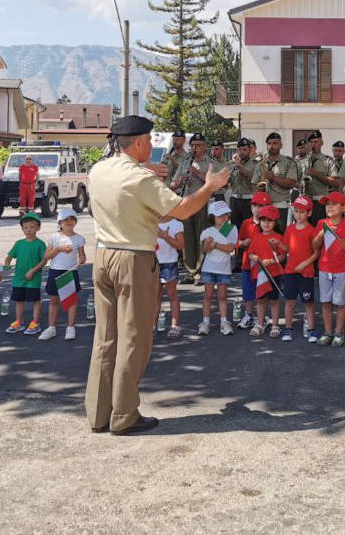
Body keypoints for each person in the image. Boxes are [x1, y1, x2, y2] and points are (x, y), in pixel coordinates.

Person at [85, 114, 228, 435]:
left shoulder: (99, 170)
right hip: (133, 259)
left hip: (103, 256)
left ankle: (98, 413)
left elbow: (136, 194)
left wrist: (146, 171)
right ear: (138, 143)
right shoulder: (141, 180)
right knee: (134, 338)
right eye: (149, 140)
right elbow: (182, 209)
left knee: (105, 338)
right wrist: (210, 186)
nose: (152, 145)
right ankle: (124, 415)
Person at [312, 190, 345, 347]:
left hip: (342, 269)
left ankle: (339, 333)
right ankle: (328, 332)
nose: (329, 207)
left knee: (340, 303)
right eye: (327, 204)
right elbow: (314, 245)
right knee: (325, 302)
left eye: (334, 204)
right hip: (324, 268)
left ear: (343, 207)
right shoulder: (321, 223)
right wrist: (321, 233)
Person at [173, 132, 218, 282]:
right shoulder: (185, 162)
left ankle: (200, 270)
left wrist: (198, 173)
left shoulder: (210, 163)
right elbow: (173, 183)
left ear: (204, 147)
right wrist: (180, 181)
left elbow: (214, 185)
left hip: (202, 204)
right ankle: (190, 271)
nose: (195, 148)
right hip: (186, 204)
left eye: (198, 146)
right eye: (192, 146)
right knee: (188, 238)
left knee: (201, 237)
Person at [39, 207, 87, 340]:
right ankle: (51, 328)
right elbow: (46, 256)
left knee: (71, 300)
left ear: (75, 222)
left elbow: (82, 255)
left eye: (72, 219)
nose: (69, 222)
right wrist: (58, 249)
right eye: (66, 220)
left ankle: (70, 327)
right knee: (54, 300)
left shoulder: (79, 238)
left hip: (71, 272)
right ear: (60, 222)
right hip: (55, 271)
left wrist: (82, 258)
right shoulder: (54, 237)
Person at [197, 199, 237, 337]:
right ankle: (205, 322)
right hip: (209, 268)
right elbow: (205, 250)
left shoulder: (231, 229)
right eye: (220, 215)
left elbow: (230, 248)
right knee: (207, 295)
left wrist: (215, 245)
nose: (224, 217)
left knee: (222, 296)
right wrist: (207, 243)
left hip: (223, 269)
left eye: (225, 214)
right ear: (212, 217)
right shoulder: (207, 231)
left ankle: (224, 321)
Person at [281, 195, 318, 342]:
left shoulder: (312, 230)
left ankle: (311, 330)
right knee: (290, 301)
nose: (298, 215)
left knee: (308, 303)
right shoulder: (290, 229)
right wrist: (276, 244)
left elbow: (316, 253)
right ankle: (288, 328)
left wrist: (304, 264)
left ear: (309, 213)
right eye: (296, 211)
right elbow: (286, 248)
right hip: (290, 271)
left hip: (306, 272)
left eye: (302, 212)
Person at [5, 211, 46, 335]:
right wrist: (7, 263)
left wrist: (32, 271)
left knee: (35, 300)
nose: (28, 230)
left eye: (32, 227)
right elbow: (9, 256)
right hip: (19, 278)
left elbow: (44, 260)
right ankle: (18, 322)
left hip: (33, 278)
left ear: (38, 228)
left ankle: (35, 322)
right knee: (19, 300)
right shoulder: (19, 243)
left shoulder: (40, 244)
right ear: (22, 228)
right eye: (26, 227)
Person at [247, 205, 284, 337]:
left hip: (274, 274)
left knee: (274, 300)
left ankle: (275, 325)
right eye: (263, 220)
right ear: (259, 221)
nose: (266, 223)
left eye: (270, 220)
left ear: (275, 222)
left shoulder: (278, 237)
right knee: (261, 300)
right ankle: (260, 324)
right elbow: (250, 253)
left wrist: (272, 261)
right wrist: (253, 257)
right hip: (260, 274)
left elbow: (283, 256)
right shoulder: (256, 236)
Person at [252, 132, 300, 231]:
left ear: (281, 145)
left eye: (275, 143)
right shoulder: (260, 163)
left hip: (281, 206)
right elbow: (254, 184)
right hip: (263, 207)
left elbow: (291, 183)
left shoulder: (289, 162)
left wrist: (273, 178)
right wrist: (259, 188)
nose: (271, 146)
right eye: (269, 143)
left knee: (280, 234)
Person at [236, 191, 270, 330]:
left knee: (262, 292)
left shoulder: (268, 224)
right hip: (247, 264)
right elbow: (237, 242)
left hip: (263, 265)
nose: (257, 208)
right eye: (254, 205)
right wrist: (243, 242)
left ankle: (262, 317)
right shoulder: (246, 223)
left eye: (260, 205)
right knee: (248, 292)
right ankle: (249, 315)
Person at [155, 215, 185, 339]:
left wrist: (166, 237)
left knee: (172, 295)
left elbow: (180, 245)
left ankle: (175, 326)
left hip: (169, 263)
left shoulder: (176, 224)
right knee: (155, 296)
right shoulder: (151, 221)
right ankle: (152, 326)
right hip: (153, 263)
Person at [227, 136, 261, 231]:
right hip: (234, 200)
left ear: (249, 150)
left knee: (249, 229)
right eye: (240, 150)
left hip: (248, 201)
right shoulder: (231, 164)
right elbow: (227, 182)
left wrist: (240, 166)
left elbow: (254, 179)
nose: (242, 152)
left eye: (244, 149)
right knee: (234, 229)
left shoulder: (255, 164)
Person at [302, 130, 334, 225]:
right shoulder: (302, 160)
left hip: (320, 202)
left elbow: (334, 182)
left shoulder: (328, 161)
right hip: (305, 201)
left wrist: (317, 174)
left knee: (320, 228)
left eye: (316, 142)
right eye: (311, 142)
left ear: (322, 143)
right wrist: (300, 184)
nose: (313, 144)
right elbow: (294, 181)